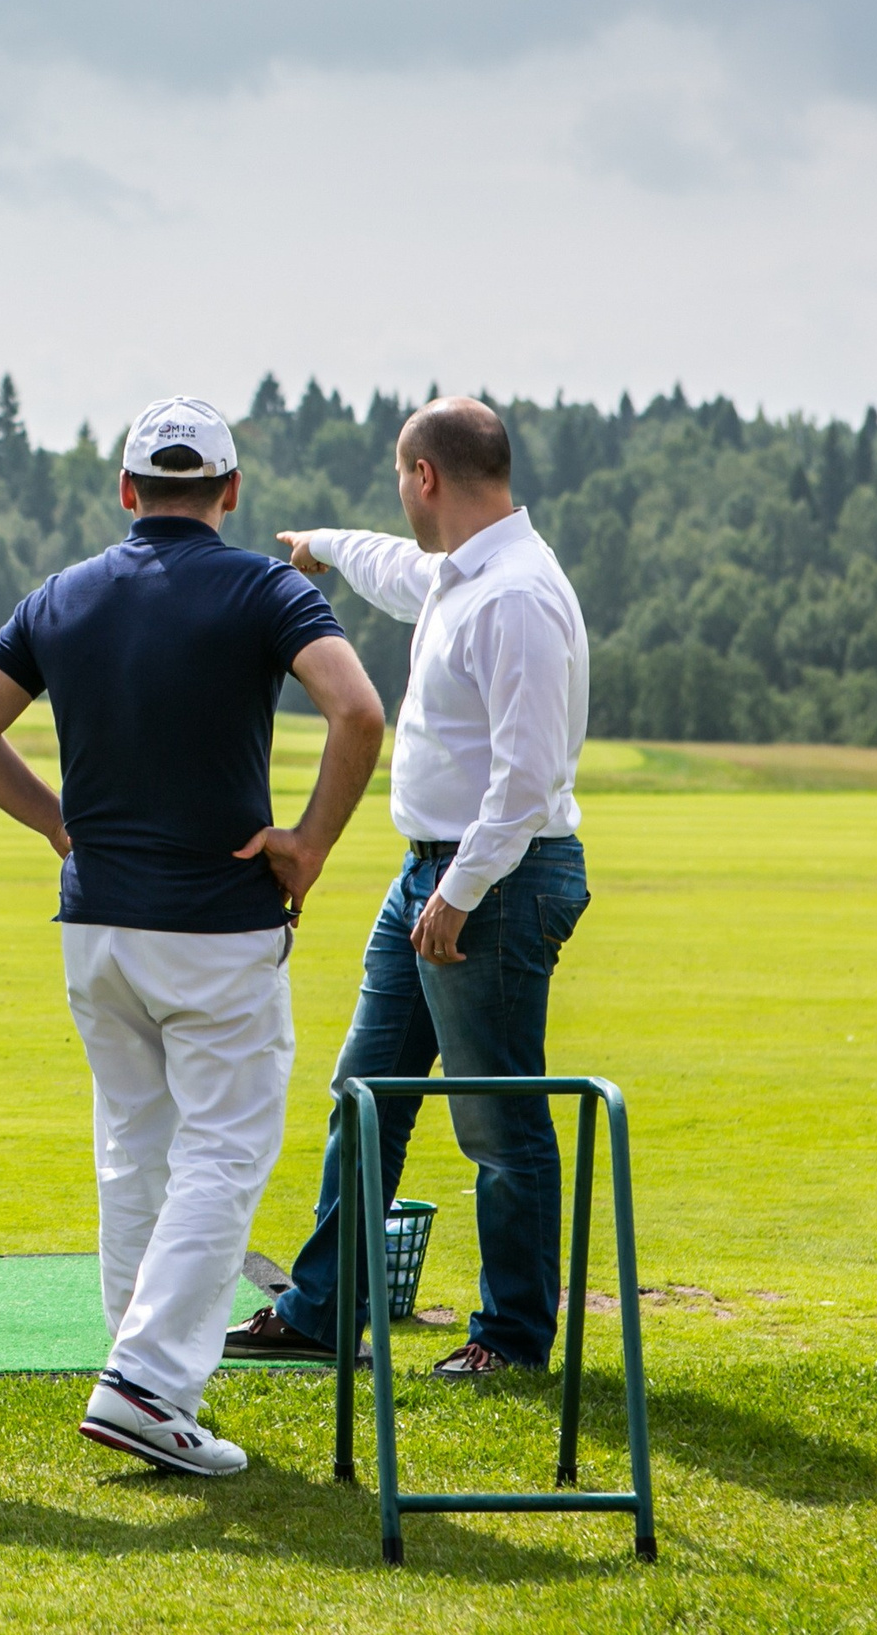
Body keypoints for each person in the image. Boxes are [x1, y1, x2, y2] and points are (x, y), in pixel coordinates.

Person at [0, 396, 387, 1475]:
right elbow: (358, 712)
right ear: (228, 493)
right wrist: (309, 846)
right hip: (216, 926)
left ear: (128, 492)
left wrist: (57, 825)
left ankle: (134, 1371)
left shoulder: (60, 595)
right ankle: (144, 1385)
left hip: (94, 926)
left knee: (133, 1146)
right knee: (223, 1153)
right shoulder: (266, 587)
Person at [227, 395, 591, 1379]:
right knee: (365, 1095)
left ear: (423, 476)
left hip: (490, 883)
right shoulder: (460, 576)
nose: (401, 495)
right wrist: (319, 547)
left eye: (401, 477)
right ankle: (320, 1313)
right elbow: (396, 567)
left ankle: (511, 1341)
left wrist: (460, 893)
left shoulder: (514, 595)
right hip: (436, 875)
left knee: (497, 1121)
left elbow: (524, 778)